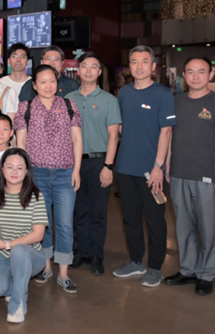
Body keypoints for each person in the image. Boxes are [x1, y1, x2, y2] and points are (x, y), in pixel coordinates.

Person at [164, 56, 215, 296]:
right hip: (178, 174)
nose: (195, 76)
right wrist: (167, 163)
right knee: (183, 226)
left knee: (208, 227)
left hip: (206, 176)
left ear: (211, 75)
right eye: (191, 72)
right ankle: (188, 269)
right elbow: (169, 135)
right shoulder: (176, 102)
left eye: (201, 71)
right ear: (184, 75)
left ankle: (206, 274)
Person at [14, 64, 82, 294]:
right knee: (43, 224)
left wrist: (76, 170)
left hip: (65, 174)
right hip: (37, 175)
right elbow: (21, 143)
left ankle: (64, 273)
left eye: (52, 81)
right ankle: (46, 267)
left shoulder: (69, 105)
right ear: (34, 85)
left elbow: (77, 139)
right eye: (42, 82)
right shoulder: (26, 107)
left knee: (65, 223)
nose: (48, 85)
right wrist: (24, 175)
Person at [112, 45, 175, 287]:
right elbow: (120, 127)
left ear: (153, 66)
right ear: (130, 66)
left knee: (155, 219)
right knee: (130, 219)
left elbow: (166, 132)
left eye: (144, 61)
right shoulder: (124, 93)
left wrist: (159, 166)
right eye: (135, 62)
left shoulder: (162, 94)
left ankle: (155, 267)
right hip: (125, 168)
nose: (139, 66)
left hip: (151, 171)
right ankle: (136, 261)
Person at [66, 52, 121, 276]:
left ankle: (97, 255)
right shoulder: (68, 99)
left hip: (99, 162)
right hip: (74, 163)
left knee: (98, 212)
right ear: (78, 71)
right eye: (84, 66)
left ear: (99, 72)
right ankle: (82, 252)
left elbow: (114, 136)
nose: (88, 70)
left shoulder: (109, 100)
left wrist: (108, 166)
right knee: (79, 211)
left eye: (93, 67)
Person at [0, 148, 48, 324]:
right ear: (2, 169)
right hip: (3, 255)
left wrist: (6, 244)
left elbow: (38, 234)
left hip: (31, 256)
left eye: (20, 168)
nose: (14, 171)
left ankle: (18, 305)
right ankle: (17, 285)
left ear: (26, 171)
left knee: (19, 250)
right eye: (10, 167)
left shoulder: (36, 196)